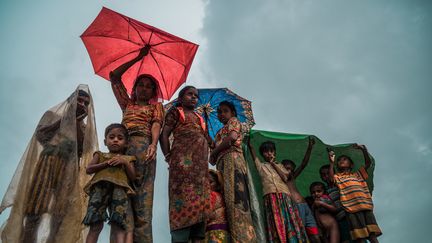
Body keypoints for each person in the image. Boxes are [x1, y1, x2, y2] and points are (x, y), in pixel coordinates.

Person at [0, 85, 98, 243]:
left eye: (86, 103)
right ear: (70, 100)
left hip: (69, 168)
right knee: (34, 209)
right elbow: (40, 135)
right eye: (79, 100)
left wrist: (77, 121)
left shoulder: (85, 127)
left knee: (60, 213)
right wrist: (67, 119)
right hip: (47, 163)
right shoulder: (51, 115)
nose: (82, 104)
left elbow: (82, 150)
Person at [110, 45, 164, 242]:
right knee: (121, 195)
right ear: (134, 88)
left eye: (149, 86)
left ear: (153, 92)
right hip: (123, 148)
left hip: (144, 149)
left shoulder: (156, 107)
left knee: (143, 199)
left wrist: (153, 145)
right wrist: (137, 56)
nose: (144, 88)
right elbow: (114, 77)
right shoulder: (127, 104)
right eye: (140, 84)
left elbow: (156, 124)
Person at [160, 86, 212, 243]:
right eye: (189, 94)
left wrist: (210, 139)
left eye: (196, 95)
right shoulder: (176, 112)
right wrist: (168, 155)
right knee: (182, 197)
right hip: (181, 166)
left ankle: (197, 235)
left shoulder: (201, 118)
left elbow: (209, 141)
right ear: (180, 98)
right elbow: (164, 134)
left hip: (200, 170)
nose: (194, 97)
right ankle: (180, 237)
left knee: (201, 202)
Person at [209, 101, 256, 242]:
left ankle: (244, 238)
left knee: (237, 199)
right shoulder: (218, 133)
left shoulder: (234, 121)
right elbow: (212, 159)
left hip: (233, 160)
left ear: (233, 113)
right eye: (219, 112)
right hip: (222, 165)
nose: (222, 114)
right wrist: (212, 147)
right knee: (227, 201)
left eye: (225, 111)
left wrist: (215, 151)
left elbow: (232, 138)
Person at [83, 123, 136, 243]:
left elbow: (133, 177)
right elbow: (88, 169)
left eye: (120, 138)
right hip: (99, 190)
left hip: (119, 191)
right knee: (95, 225)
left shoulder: (128, 159)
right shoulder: (100, 155)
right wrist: (106, 163)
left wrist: (124, 162)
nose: (115, 140)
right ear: (105, 141)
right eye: (111, 137)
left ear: (126, 143)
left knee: (118, 224)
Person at [247, 139, 308, 243]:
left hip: (285, 196)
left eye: (271, 151)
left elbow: (285, 178)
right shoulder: (261, 166)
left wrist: (273, 164)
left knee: (289, 220)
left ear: (274, 152)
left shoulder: (280, 166)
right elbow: (253, 153)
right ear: (262, 154)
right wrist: (249, 144)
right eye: (266, 151)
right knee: (275, 222)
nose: (269, 153)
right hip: (270, 197)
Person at [328, 145, 382, 243]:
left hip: (365, 206)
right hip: (351, 209)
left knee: (372, 235)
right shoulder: (338, 177)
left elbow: (368, 163)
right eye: (339, 160)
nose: (341, 161)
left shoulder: (358, 175)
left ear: (351, 165)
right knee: (359, 237)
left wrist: (364, 150)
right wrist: (331, 163)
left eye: (345, 159)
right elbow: (331, 178)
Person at [281, 136, 320, 243]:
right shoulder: (281, 179)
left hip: (305, 206)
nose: (289, 171)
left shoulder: (292, 178)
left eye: (291, 169)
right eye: (287, 168)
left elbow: (304, 164)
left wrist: (310, 147)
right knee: (300, 233)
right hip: (296, 207)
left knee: (315, 236)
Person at [319, 164, 352, 243]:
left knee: (358, 237)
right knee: (346, 239)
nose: (326, 176)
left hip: (349, 214)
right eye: (323, 175)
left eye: (328, 173)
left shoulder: (339, 184)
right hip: (339, 218)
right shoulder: (324, 191)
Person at [205, 170, 229, 243]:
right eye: (205, 183)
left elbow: (206, 215)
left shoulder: (211, 195)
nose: (207, 185)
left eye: (211, 182)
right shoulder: (223, 197)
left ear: (218, 185)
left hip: (213, 233)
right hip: (224, 232)